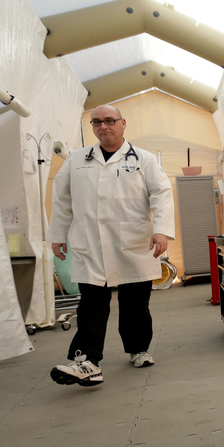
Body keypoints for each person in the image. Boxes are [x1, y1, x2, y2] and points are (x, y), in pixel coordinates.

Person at [49, 104, 175, 387]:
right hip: (90, 244)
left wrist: (162, 231)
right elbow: (62, 200)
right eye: (96, 122)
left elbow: (161, 194)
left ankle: (138, 349)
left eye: (109, 121)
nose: (103, 126)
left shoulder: (143, 159)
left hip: (133, 243)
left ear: (123, 123)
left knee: (135, 304)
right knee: (92, 304)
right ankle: (88, 361)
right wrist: (57, 235)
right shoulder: (76, 160)